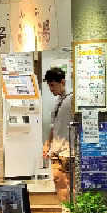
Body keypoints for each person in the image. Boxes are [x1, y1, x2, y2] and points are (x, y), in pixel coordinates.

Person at [42, 66, 74, 201]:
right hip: (56, 150)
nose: (51, 89)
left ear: (62, 82)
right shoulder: (57, 102)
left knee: (71, 183)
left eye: (53, 85)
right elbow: (53, 126)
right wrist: (47, 144)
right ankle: (65, 212)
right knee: (58, 181)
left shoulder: (72, 100)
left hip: (69, 150)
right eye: (49, 86)